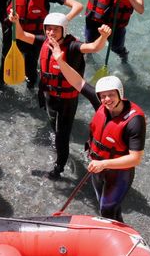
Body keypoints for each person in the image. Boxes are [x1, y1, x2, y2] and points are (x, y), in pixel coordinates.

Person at [49, 46, 146, 221]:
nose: (106, 100)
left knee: (107, 210)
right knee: (107, 208)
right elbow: (78, 82)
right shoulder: (101, 104)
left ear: (120, 94)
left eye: (111, 95)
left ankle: (119, 240)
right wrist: (60, 61)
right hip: (98, 167)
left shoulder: (134, 121)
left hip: (119, 174)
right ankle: (120, 231)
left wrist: (104, 164)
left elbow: (136, 159)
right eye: (103, 96)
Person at [12, 12, 111, 179]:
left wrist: (103, 37)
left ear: (64, 30)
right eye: (48, 29)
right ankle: (59, 141)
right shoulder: (44, 42)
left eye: (55, 30)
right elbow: (20, 34)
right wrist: (16, 22)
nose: (50, 33)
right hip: (49, 96)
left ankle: (59, 167)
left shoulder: (73, 47)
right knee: (53, 125)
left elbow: (93, 47)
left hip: (67, 101)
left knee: (61, 136)